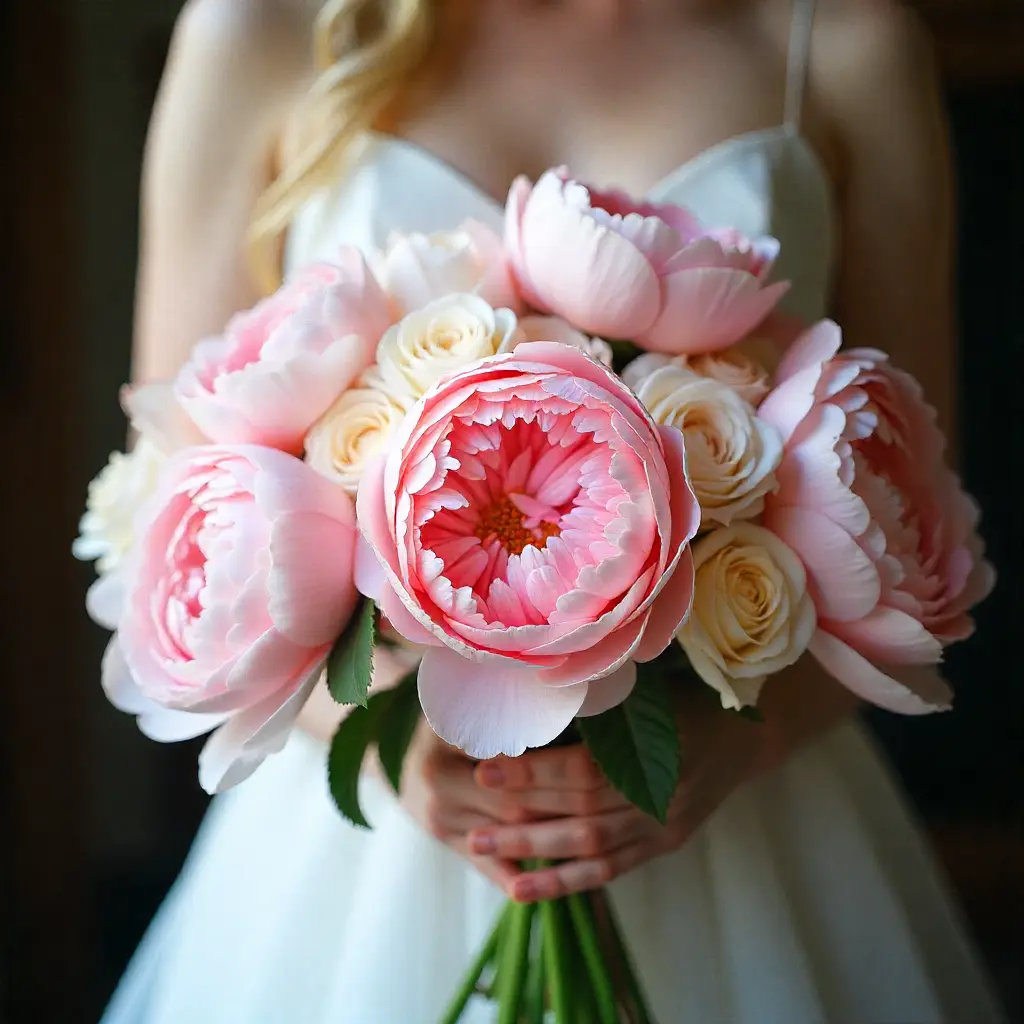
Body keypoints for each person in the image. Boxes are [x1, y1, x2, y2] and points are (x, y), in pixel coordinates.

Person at [102, 0, 1007, 1021]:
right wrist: (382, 734)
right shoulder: (258, 30)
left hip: (735, 814)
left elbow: (913, 511)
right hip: (372, 845)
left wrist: (738, 741)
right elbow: (166, 513)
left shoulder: (842, 43)